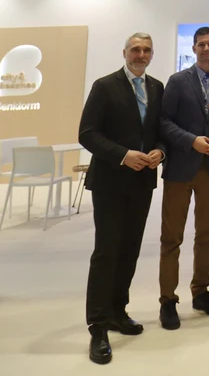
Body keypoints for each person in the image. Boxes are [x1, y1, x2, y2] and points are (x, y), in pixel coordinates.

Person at [78, 33, 166, 365]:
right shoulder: (104, 86)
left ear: (151, 55)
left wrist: (161, 151)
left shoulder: (156, 87)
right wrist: (123, 155)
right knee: (107, 252)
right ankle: (98, 327)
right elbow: (87, 133)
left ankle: (118, 311)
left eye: (146, 50)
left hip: (142, 182)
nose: (141, 55)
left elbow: (159, 131)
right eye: (135, 50)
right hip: (110, 182)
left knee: (129, 250)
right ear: (125, 53)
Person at [156, 26, 209, 329]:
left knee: (205, 234)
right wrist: (192, 141)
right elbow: (163, 121)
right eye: (201, 44)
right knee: (171, 238)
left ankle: (200, 292)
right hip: (179, 168)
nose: (206, 48)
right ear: (194, 48)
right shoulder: (177, 81)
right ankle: (168, 300)